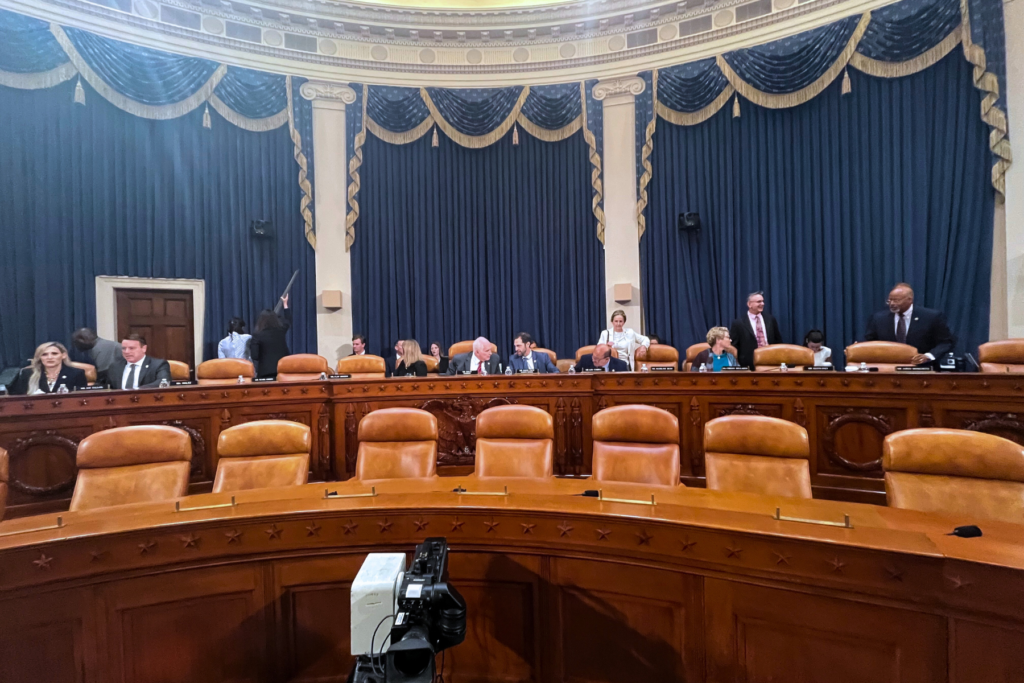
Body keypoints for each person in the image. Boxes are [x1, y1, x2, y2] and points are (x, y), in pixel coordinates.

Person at [864, 283, 956, 364]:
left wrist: (928, 356)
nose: (892, 304)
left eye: (896, 300)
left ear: (909, 300)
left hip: (921, 368)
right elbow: (870, 342)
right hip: (888, 368)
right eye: (889, 300)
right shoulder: (878, 318)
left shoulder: (931, 317)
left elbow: (945, 342)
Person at [729, 291, 782, 369]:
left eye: (763, 301)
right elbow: (734, 346)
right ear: (749, 304)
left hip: (770, 362)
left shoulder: (770, 320)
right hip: (748, 364)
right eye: (759, 302)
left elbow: (778, 340)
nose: (762, 304)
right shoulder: (738, 323)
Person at [11, 342, 87, 395]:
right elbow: (17, 397)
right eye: (44, 354)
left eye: (54, 354)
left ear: (63, 355)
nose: (49, 357)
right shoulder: (27, 373)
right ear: (39, 357)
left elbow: (81, 398)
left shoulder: (76, 373)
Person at [105, 334, 172, 390]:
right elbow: (107, 387)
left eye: (131, 348)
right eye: (124, 348)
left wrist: (136, 391)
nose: (126, 352)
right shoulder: (115, 367)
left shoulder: (158, 365)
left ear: (144, 348)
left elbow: (163, 382)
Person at [250, 295, 292, 379]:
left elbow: (255, 356)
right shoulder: (280, 330)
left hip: (265, 372)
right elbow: (288, 321)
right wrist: (285, 304)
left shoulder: (257, 335)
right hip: (282, 369)